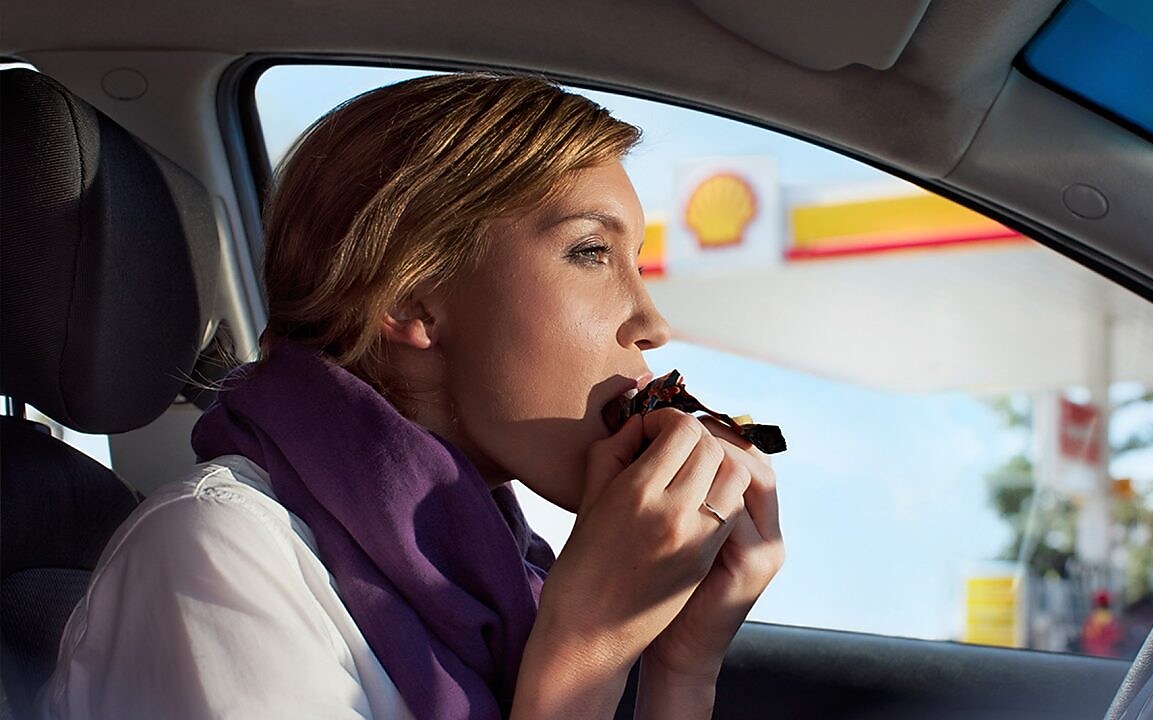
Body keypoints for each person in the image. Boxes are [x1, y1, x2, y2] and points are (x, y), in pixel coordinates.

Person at [39, 73, 783, 719]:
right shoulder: (216, 552)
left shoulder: (503, 577)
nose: (652, 323)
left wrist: (682, 665)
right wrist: (583, 656)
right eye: (591, 252)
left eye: (639, 264)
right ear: (412, 302)